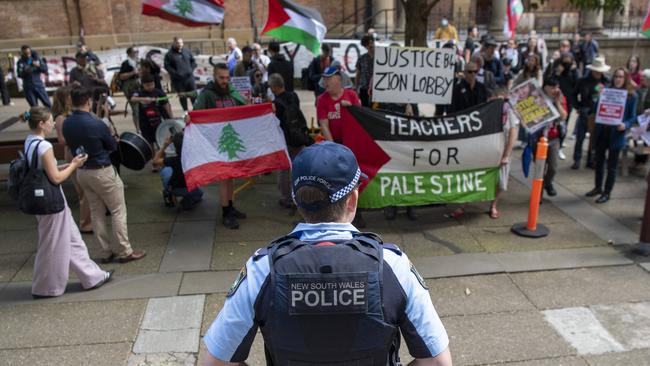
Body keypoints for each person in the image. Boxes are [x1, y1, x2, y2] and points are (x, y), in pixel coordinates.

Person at [202, 141, 452, 366]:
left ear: (298, 202)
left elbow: (214, 362)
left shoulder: (263, 269)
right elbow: (439, 362)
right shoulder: (392, 266)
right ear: (353, 199)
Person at [22, 106, 112, 298]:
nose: (53, 124)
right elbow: (56, 178)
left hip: (43, 198)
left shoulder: (30, 142)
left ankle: (93, 276)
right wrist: (74, 165)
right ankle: (45, 287)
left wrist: (67, 165)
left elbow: (44, 170)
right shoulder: (44, 146)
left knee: (72, 239)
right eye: (50, 121)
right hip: (51, 200)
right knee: (53, 244)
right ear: (41, 124)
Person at [62, 85, 146, 263]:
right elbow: (112, 146)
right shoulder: (95, 123)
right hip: (101, 169)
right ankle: (124, 250)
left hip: (82, 171)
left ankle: (104, 251)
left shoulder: (67, 122)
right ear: (88, 101)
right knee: (117, 210)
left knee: (96, 211)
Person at [193, 63, 248, 229]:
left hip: (231, 141)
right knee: (224, 178)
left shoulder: (231, 91)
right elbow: (196, 113)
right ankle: (226, 213)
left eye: (227, 78)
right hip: (216, 143)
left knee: (231, 177)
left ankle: (230, 206)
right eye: (221, 78)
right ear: (215, 76)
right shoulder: (207, 94)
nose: (225, 81)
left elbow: (244, 108)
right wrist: (190, 119)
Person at [316, 65, 364, 227]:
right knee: (337, 179)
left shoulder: (351, 95)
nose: (326, 82)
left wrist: (351, 108)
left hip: (353, 144)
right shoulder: (322, 100)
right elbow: (324, 124)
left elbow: (362, 118)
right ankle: (336, 213)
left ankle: (358, 212)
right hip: (335, 144)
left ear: (338, 79)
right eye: (325, 79)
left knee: (354, 178)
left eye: (329, 78)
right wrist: (334, 148)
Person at [586, 67, 637, 204]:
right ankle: (597, 187)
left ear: (625, 78)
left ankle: (607, 192)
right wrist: (599, 96)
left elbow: (633, 117)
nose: (618, 79)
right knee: (599, 162)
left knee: (612, 166)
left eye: (621, 77)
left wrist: (625, 125)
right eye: (616, 76)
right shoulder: (606, 91)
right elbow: (596, 110)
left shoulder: (631, 96)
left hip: (617, 134)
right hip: (602, 131)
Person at [52, 86, 92, 234]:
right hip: (72, 153)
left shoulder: (72, 114)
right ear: (64, 99)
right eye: (69, 96)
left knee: (86, 187)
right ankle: (85, 223)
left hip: (79, 152)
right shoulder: (61, 118)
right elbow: (62, 140)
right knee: (82, 190)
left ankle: (89, 220)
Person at [269, 73, 309, 208]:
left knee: (284, 170)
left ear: (274, 88)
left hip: (286, 140)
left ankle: (286, 198)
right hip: (299, 137)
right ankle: (300, 195)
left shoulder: (276, 104)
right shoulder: (294, 96)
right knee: (299, 168)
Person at [572, 56, 610, 170]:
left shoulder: (606, 81)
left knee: (594, 139)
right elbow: (574, 95)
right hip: (585, 110)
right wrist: (577, 106)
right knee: (580, 137)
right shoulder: (583, 81)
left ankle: (590, 159)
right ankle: (577, 159)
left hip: (599, 113)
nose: (598, 73)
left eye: (600, 71)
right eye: (596, 70)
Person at [153, 132, 203, 210]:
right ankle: (187, 201)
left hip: (175, 189)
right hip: (191, 188)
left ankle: (170, 193)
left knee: (165, 170)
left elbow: (155, 161)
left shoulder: (174, 160)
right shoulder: (195, 158)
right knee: (200, 193)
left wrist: (164, 146)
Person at [489, 87, 519, 219]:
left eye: (503, 100)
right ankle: (465, 205)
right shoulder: (487, 111)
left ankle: (493, 205)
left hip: (503, 153)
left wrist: (506, 155)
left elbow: (513, 134)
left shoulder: (510, 113)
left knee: (501, 182)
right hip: (488, 151)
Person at [538, 77, 568, 197]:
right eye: (552, 87)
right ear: (545, 87)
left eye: (556, 87)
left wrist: (557, 102)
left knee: (553, 167)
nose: (555, 90)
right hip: (539, 138)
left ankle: (548, 183)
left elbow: (564, 116)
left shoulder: (561, 98)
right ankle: (538, 194)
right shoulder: (537, 97)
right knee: (540, 169)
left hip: (554, 137)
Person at [130, 73, 173, 145]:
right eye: (147, 85)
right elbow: (132, 99)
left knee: (159, 140)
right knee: (148, 141)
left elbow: (166, 105)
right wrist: (144, 99)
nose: (150, 87)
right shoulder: (139, 92)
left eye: (152, 84)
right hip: (145, 122)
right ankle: (152, 154)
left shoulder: (159, 92)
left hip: (158, 121)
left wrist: (171, 118)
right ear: (142, 84)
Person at [164, 37, 197, 112]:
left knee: (193, 95)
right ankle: (185, 112)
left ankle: (196, 110)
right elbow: (167, 66)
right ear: (174, 43)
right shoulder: (169, 54)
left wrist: (191, 70)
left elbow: (193, 62)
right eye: (178, 43)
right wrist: (176, 74)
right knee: (182, 96)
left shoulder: (187, 51)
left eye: (181, 43)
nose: (180, 45)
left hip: (189, 78)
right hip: (178, 80)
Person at [119, 47, 140, 131]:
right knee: (136, 108)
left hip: (139, 85)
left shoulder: (137, 62)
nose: (136, 53)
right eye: (135, 52)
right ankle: (138, 129)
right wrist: (132, 73)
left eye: (137, 51)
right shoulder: (126, 63)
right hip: (130, 87)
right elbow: (121, 76)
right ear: (129, 53)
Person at [355, 35, 375, 107]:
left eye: (372, 42)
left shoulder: (381, 56)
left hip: (377, 89)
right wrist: (356, 88)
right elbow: (358, 74)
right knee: (365, 109)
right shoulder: (361, 58)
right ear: (365, 46)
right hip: (364, 89)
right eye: (368, 44)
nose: (371, 45)